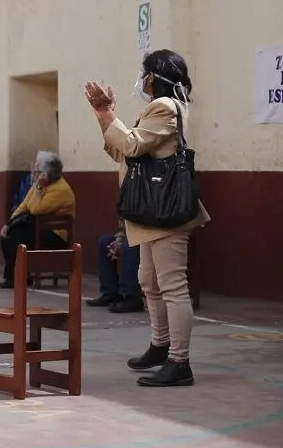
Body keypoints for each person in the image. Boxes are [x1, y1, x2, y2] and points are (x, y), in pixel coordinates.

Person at [85, 48, 211, 387]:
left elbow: (131, 146)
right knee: (149, 281)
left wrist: (106, 112)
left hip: (164, 206)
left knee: (172, 285)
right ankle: (160, 344)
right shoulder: (159, 108)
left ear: (153, 77)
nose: (141, 80)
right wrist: (104, 116)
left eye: (145, 74)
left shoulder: (165, 106)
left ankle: (179, 362)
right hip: (152, 208)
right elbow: (122, 150)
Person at [0, 151, 75, 289]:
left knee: (17, 235)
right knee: (9, 233)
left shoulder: (60, 189)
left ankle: (17, 276)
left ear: (47, 174)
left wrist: (38, 186)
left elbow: (35, 209)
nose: (34, 174)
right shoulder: (40, 184)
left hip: (55, 234)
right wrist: (9, 223)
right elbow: (24, 205)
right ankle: (16, 275)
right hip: (40, 227)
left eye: (37, 172)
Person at [87, 219, 144, 313]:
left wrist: (123, 243)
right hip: (129, 236)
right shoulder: (126, 209)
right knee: (104, 241)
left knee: (128, 246)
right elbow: (123, 226)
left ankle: (131, 297)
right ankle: (110, 293)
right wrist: (118, 241)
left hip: (148, 236)